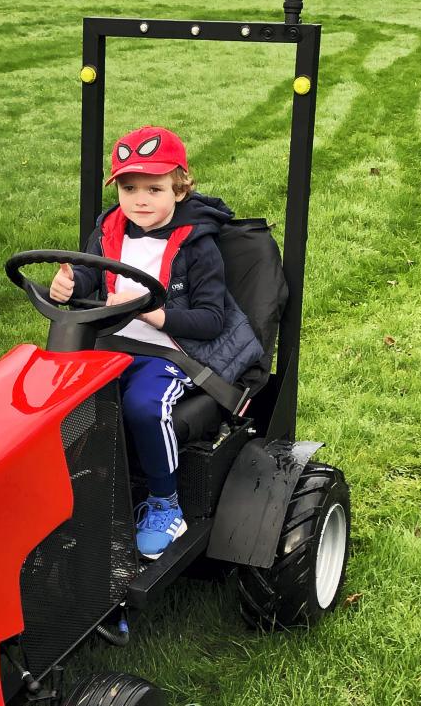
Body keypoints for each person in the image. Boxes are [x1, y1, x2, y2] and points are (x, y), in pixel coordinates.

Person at [50, 126, 263, 559]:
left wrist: (152, 312)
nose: (140, 199)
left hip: (170, 352)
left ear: (179, 190)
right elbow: (92, 274)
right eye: (129, 188)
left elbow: (211, 319)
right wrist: (71, 284)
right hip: (109, 344)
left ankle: (166, 505)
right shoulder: (109, 229)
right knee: (57, 399)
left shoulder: (198, 245)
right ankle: (69, 492)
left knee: (144, 406)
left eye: (154, 188)